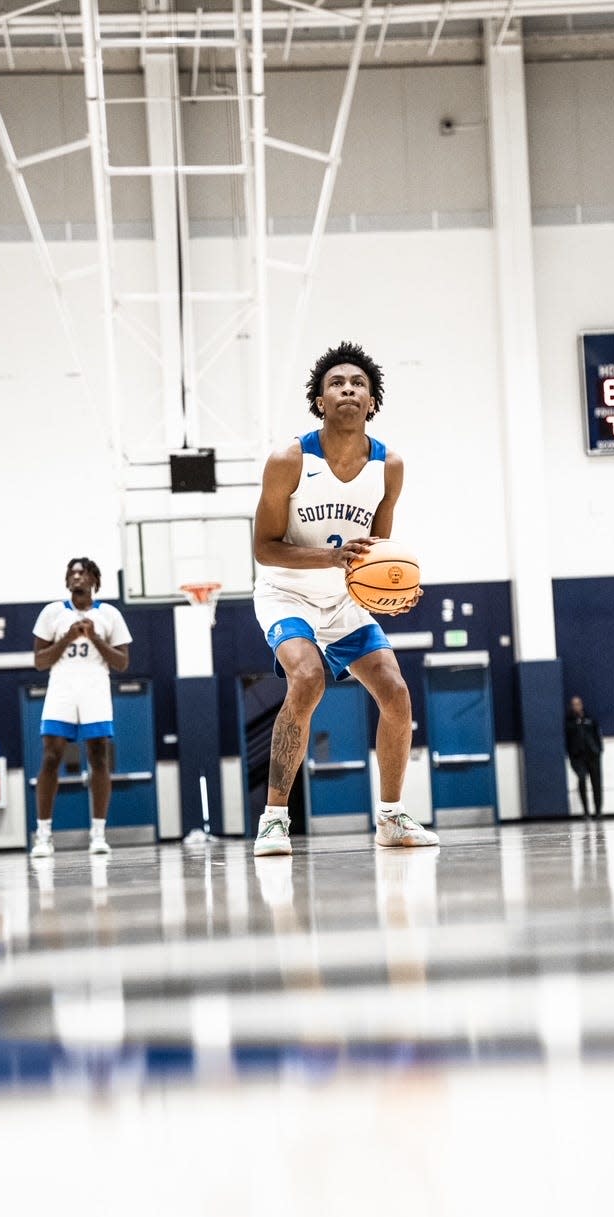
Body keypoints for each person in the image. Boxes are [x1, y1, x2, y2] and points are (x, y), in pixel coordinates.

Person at [251, 340, 439, 856]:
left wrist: (398, 586)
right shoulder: (289, 459)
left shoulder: (389, 466)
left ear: (372, 402)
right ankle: (274, 819)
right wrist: (329, 561)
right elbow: (264, 549)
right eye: (336, 383)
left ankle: (392, 818)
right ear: (320, 400)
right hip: (286, 594)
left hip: (342, 601)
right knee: (307, 679)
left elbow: (378, 554)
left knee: (397, 693)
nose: (348, 390)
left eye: (358, 384)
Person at [30, 557, 132, 857]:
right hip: (61, 685)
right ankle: (44, 835)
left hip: (94, 685)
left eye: (82, 572)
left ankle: (98, 834)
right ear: (67, 580)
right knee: (51, 755)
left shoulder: (110, 614)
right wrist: (68, 638)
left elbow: (122, 662)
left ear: (93, 580)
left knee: (99, 756)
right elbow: (39, 661)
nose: (76, 576)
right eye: (72, 572)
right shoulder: (52, 612)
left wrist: (94, 638)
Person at [565, 695, 604, 818]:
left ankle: (598, 811)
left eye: (578, 704)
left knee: (596, 783)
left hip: (592, 754)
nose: (576, 706)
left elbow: (597, 735)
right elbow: (568, 739)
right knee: (582, 779)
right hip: (578, 756)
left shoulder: (590, 719)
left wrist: (599, 750)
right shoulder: (569, 721)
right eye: (574, 704)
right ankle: (586, 811)